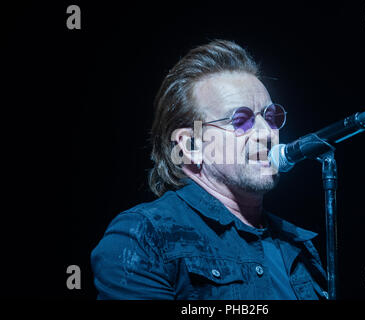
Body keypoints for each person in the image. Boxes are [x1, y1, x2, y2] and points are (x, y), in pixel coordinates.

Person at [90, 39, 328, 300]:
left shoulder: (295, 242)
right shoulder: (143, 236)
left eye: (270, 116)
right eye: (240, 120)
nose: (266, 132)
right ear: (191, 145)